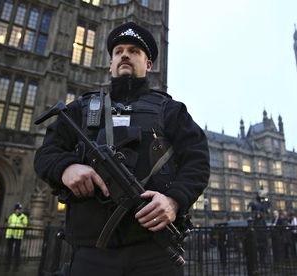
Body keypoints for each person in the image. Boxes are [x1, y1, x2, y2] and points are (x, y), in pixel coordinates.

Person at [34, 21, 210, 276]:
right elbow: (45, 154)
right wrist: (66, 168)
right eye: (119, 51)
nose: (125, 55)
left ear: (148, 64)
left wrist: (174, 200)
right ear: (110, 63)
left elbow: (198, 161)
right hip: (90, 252)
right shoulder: (81, 109)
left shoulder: (171, 111)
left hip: (154, 253)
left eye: (134, 51)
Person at [5, 202, 28, 271]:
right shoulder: (11, 216)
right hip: (10, 235)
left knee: (17, 250)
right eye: (18, 209)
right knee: (9, 249)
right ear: (15, 210)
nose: (19, 210)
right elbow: (9, 224)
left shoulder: (24, 217)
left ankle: (16, 262)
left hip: (18, 236)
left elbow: (25, 225)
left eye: (20, 209)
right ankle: (8, 262)